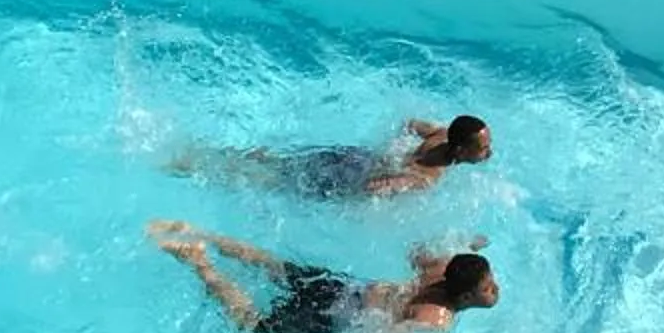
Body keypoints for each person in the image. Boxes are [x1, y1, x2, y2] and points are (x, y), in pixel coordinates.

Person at [149, 219, 496, 333]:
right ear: (465, 296)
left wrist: (468, 241)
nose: (495, 289)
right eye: (487, 288)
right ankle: (199, 262)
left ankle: (201, 232)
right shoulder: (435, 318)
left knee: (275, 266)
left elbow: (417, 251)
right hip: (332, 315)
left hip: (343, 286)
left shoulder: (441, 268)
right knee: (251, 326)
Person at [171, 115, 493, 201]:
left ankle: (205, 151)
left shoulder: (439, 132)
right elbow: (375, 188)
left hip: (354, 156)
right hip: (346, 179)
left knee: (281, 163)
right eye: (483, 148)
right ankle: (192, 166)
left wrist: (391, 151)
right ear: (462, 150)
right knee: (270, 181)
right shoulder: (426, 178)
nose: (489, 151)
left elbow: (410, 123)